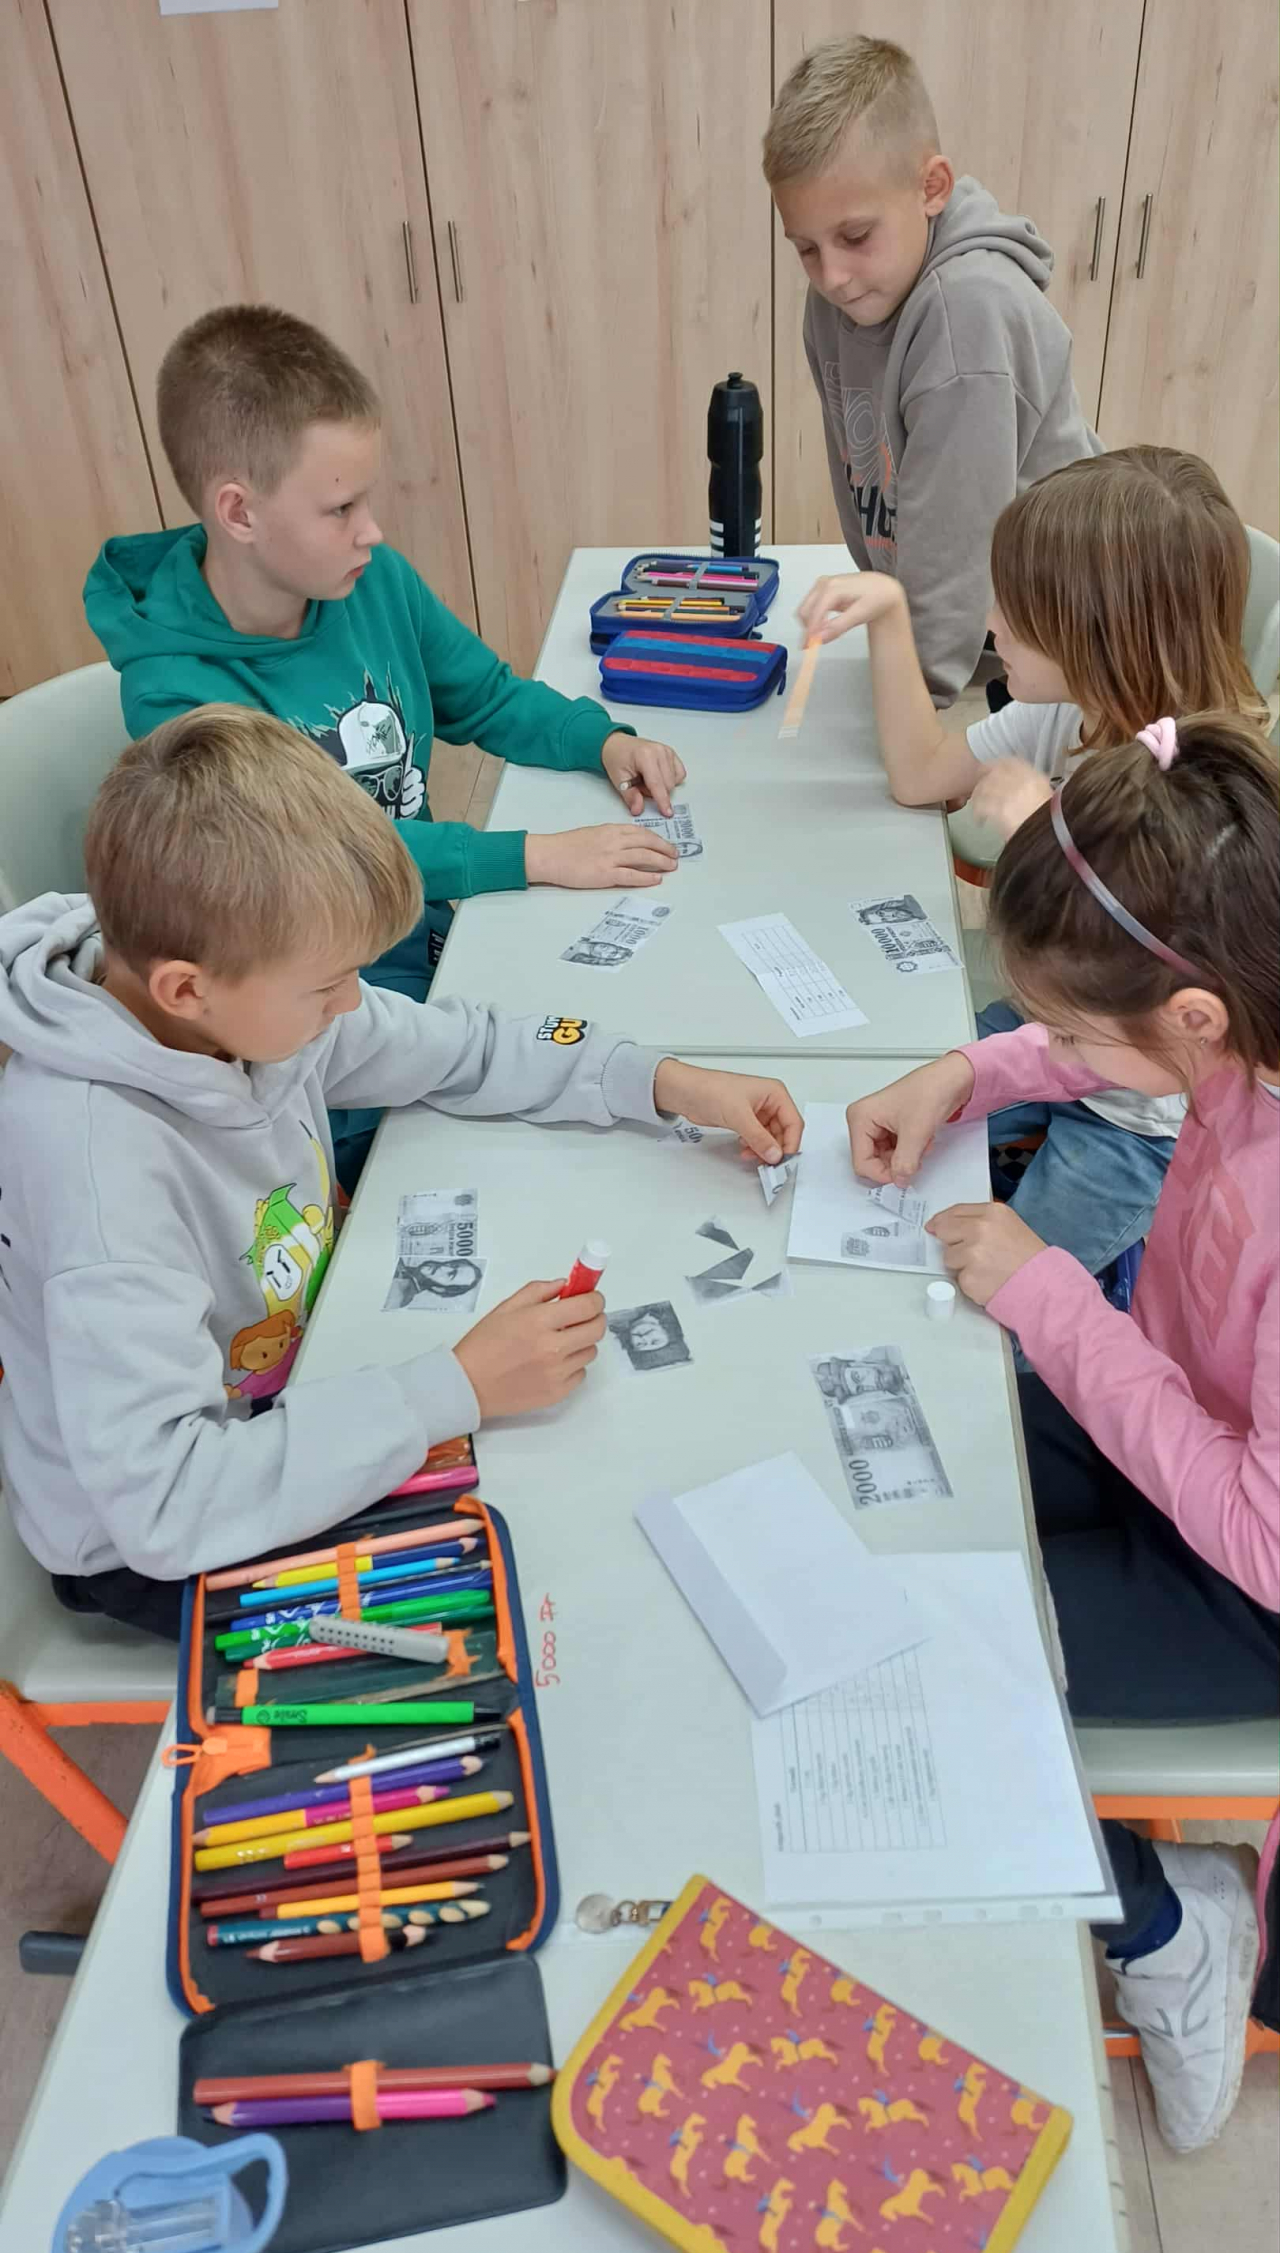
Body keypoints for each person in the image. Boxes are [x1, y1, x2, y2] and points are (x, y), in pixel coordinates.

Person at [0, 706, 802, 1642]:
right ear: (188, 988)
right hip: (151, 1539)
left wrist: (661, 1080)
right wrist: (456, 1384)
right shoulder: (101, 1174)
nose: (353, 1004)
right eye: (326, 986)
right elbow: (166, 1502)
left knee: (563, 1487)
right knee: (546, 1587)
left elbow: (463, 1046)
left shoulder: (231, 994)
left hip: (284, 1400)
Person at [845, 714, 1280, 2153]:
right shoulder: (1237, 1018)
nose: (1071, 1050)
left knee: (905, 1675)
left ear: (1195, 1018)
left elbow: (1260, 1537)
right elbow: (1094, 1039)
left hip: (1251, 1583)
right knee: (899, 1494)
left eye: (1088, 1032)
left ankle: (1167, 1922)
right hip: (1175, 1427)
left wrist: (1047, 1297)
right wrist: (964, 1074)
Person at [83, 305, 689, 1183]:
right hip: (320, 1008)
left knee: (599, 1054)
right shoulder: (177, 693)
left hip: (429, 944)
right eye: (340, 507)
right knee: (484, 1171)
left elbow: (485, 695)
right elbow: (316, 866)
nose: (370, 529)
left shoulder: (366, 579)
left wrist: (598, 741)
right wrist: (533, 855)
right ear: (239, 512)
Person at [799, 447, 1268, 1279]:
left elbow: (1140, 993)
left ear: (1098, 633)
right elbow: (919, 775)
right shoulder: (1073, 712)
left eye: (1015, 606)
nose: (991, 624)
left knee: (998, 1304)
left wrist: (1045, 838)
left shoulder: (1208, 802)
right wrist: (890, 615)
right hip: (1060, 1034)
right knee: (880, 1096)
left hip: (1141, 1120)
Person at [764, 32, 1099, 704]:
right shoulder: (834, 302)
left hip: (1068, 649)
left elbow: (955, 546)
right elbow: (865, 482)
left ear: (931, 188)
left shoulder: (966, 313)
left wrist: (915, 691)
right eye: (806, 248)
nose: (832, 275)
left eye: (855, 236)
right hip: (979, 642)